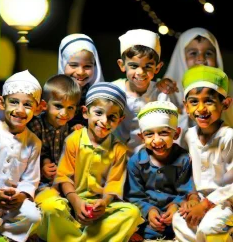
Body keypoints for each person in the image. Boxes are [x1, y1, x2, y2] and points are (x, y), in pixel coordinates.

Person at [35, 82, 143, 242]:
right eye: (99, 113)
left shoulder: (118, 149)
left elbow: (114, 184)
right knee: (51, 207)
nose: (104, 121)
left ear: (120, 120)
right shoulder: (73, 140)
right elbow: (64, 177)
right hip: (71, 203)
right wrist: (76, 202)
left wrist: (104, 203)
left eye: (112, 117)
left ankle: (73, 237)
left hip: (98, 207)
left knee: (132, 213)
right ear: (85, 113)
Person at [0, 70, 42, 242]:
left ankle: (2, 234)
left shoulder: (34, 142)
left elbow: (31, 178)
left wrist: (21, 194)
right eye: (14, 102)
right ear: (2, 102)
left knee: (33, 216)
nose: (20, 110)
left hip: (13, 200)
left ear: (37, 108)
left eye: (28, 105)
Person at [172, 65, 233, 242]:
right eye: (194, 102)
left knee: (209, 227)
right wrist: (191, 198)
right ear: (185, 106)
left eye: (209, 101)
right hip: (200, 200)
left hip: (226, 202)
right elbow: (186, 172)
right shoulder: (188, 136)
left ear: (225, 104)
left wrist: (206, 205)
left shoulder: (228, 136)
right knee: (179, 220)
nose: (201, 109)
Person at [124, 101, 194, 241]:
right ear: (141, 137)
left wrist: (175, 206)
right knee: (127, 217)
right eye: (149, 134)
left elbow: (187, 191)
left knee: (190, 221)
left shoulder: (184, 159)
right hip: (145, 218)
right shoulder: (135, 162)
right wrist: (149, 210)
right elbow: (133, 196)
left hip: (176, 215)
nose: (157, 140)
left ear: (176, 133)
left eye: (164, 132)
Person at [163, 27, 233, 148]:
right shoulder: (166, 89)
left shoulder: (230, 87)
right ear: (181, 56)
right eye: (193, 53)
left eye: (208, 53)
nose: (201, 58)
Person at [112, 29, 178, 156]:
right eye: (133, 66)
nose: (140, 72)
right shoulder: (114, 91)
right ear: (122, 65)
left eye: (148, 66)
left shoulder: (161, 94)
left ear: (157, 68)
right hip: (115, 161)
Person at [27, 74, 81, 194]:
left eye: (70, 108)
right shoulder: (36, 125)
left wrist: (79, 135)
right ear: (44, 105)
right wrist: (43, 166)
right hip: (38, 182)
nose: (64, 113)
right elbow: (29, 154)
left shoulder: (69, 129)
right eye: (58, 106)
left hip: (63, 181)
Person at [58, 33, 104, 130]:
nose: (80, 72)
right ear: (63, 63)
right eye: (73, 65)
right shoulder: (54, 92)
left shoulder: (100, 96)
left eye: (87, 66)